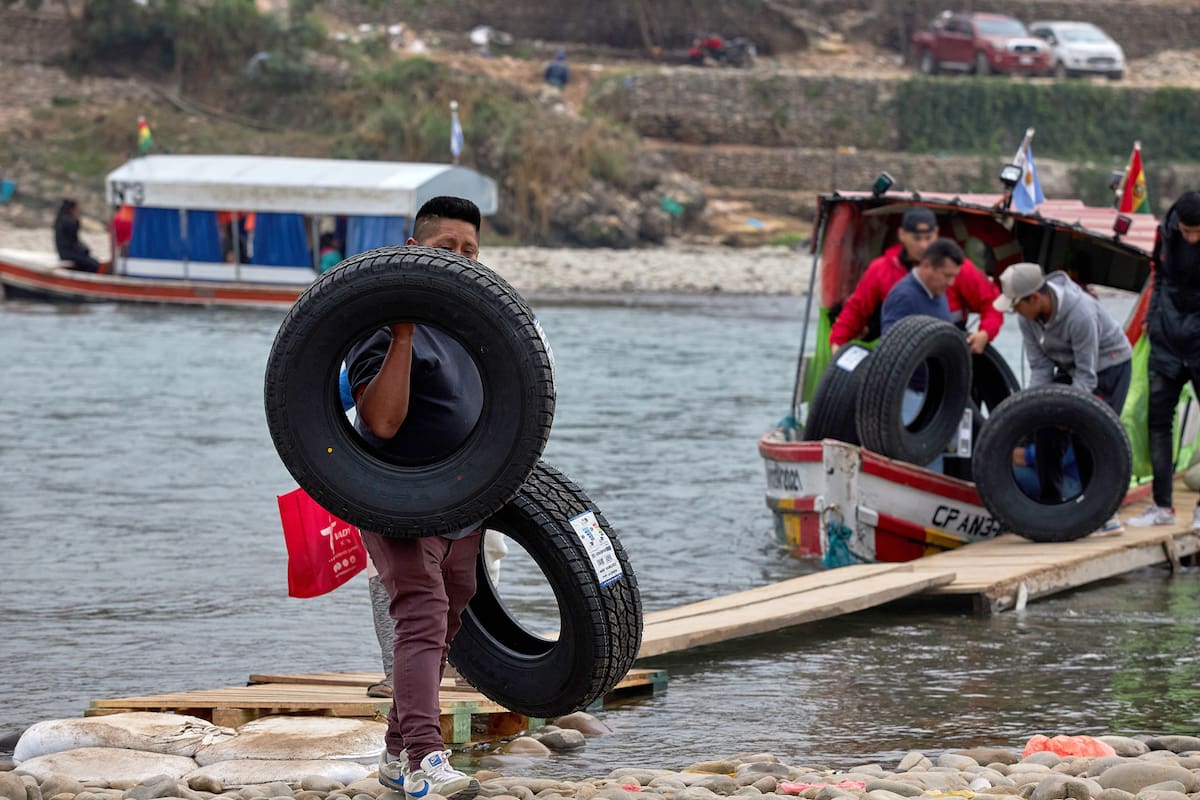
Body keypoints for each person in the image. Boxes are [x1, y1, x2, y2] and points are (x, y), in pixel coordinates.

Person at [345, 196, 485, 800]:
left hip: (463, 498)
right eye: (444, 249)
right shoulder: (376, 324)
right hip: (393, 493)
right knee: (422, 612)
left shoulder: (477, 329)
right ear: (411, 252)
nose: (459, 260)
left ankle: (396, 752)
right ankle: (428, 762)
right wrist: (403, 333)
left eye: (470, 252)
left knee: (455, 603)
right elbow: (381, 422)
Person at [993, 261, 1132, 527]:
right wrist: (1034, 408)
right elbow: (1040, 367)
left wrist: (1070, 415)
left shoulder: (1080, 313)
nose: (1014, 312)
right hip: (1070, 366)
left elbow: (1087, 375)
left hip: (1108, 365)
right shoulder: (1028, 318)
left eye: (1016, 305)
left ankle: (1104, 513)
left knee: (1087, 432)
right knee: (1045, 428)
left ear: (1034, 297)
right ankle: (1050, 507)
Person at [831, 207, 1002, 355]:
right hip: (898, 357)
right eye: (917, 239)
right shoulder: (881, 270)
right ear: (902, 235)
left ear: (936, 234)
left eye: (928, 238)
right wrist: (837, 344)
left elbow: (992, 302)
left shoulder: (957, 269)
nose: (923, 246)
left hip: (947, 354)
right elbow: (855, 310)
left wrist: (985, 333)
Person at [1128, 190, 1200, 529]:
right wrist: (1152, 320)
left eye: (1197, 232)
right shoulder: (1167, 232)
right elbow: (1158, 278)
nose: (1191, 237)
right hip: (1167, 339)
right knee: (1158, 422)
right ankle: (1162, 506)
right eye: (1187, 231)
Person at [880, 237, 965, 334]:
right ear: (926, 265)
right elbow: (892, 345)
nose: (951, 283)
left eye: (954, 276)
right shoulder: (903, 298)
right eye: (947, 275)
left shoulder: (937, 289)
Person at [54, 199, 101, 273]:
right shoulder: (70, 222)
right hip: (68, 253)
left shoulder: (61, 219)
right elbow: (74, 242)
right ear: (72, 209)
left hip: (64, 252)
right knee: (94, 264)